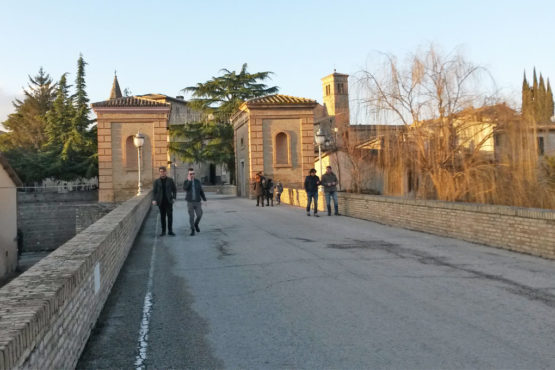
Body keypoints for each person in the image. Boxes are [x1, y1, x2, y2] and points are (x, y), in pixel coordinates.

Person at [152, 166, 177, 236]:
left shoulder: (170, 180)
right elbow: (154, 192)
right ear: (159, 172)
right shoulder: (156, 181)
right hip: (161, 202)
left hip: (169, 201)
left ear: (166, 172)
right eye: (161, 172)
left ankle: (170, 231)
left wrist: (174, 198)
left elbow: (174, 190)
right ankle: (163, 231)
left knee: (170, 216)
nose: (162, 173)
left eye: (163, 171)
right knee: (162, 217)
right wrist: (154, 199)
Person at [183, 168, 207, 236]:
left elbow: (201, 191)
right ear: (188, 174)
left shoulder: (197, 181)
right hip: (190, 202)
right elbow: (185, 188)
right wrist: (189, 181)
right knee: (191, 216)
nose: (192, 175)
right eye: (191, 174)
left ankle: (196, 224)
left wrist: (204, 199)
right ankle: (192, 229)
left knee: (199, 215)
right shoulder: (186, 181)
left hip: (197, 201)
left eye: (193, 173)